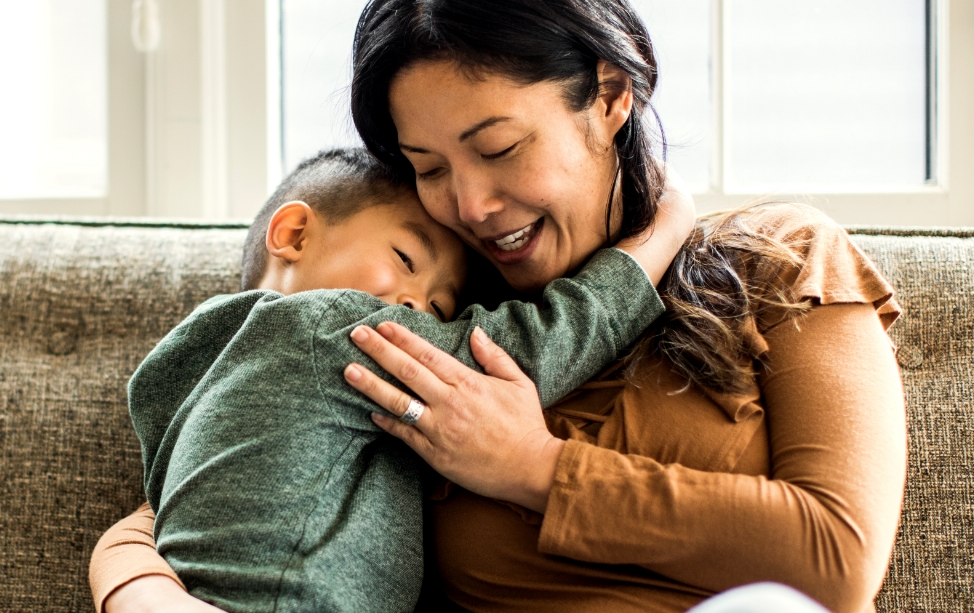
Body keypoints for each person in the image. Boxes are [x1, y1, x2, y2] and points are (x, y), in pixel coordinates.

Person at [93, 0, 907, 613]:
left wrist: (535, 469)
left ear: (611, 94)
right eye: (431, 167)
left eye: (498, 147)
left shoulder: (775, 257)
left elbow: (837, 560)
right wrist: (137, 590)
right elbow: (210, 479)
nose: (470, 206)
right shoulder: (436, 314)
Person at [125, 146, 692, 613]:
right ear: (295, 233)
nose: (415, 308)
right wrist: (663, 232)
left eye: (441, 309)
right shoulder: (327, 327)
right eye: (405, 258)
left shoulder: (186, 364)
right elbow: (528, 348)